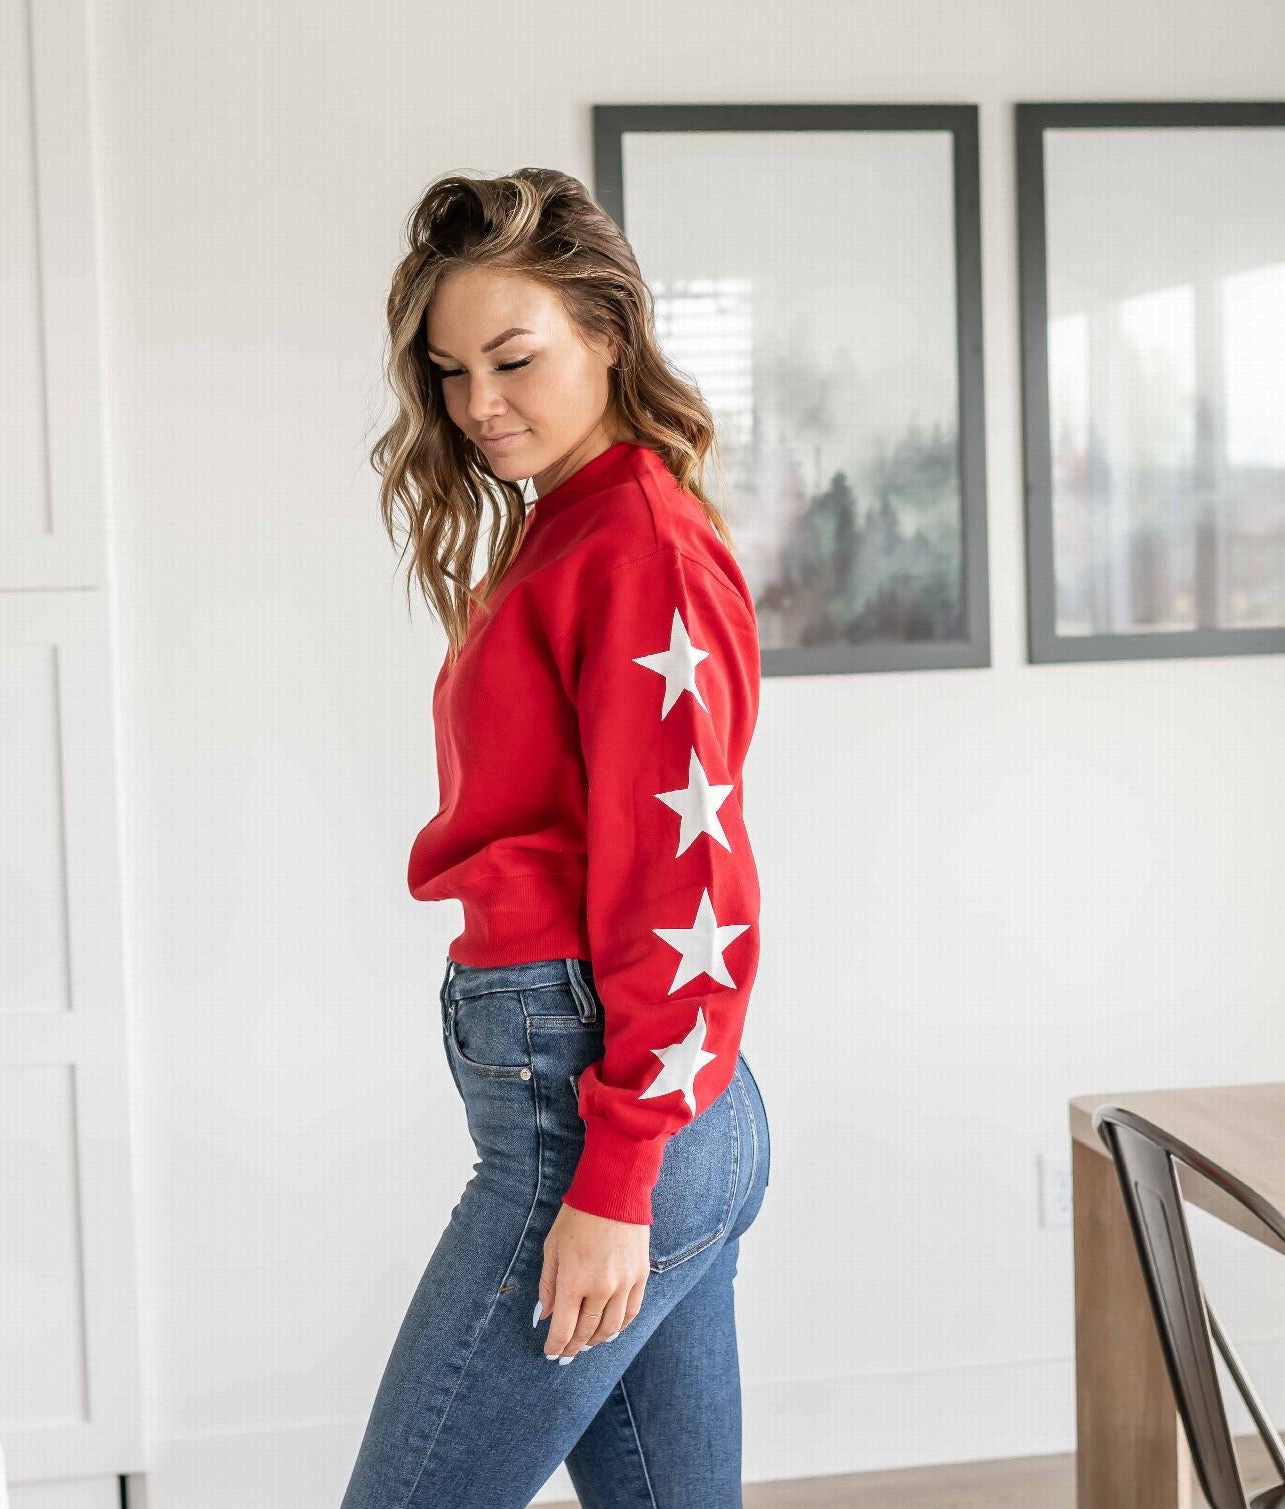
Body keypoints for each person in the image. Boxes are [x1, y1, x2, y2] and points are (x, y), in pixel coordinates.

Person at [343, 168, 773, 1509]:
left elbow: (681, 880)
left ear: (608, 331)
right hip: (628, 1103)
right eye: (453, 370)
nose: (479, 404)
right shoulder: (574, 527)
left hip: (595, 1117)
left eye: (515, 358)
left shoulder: (633, 543)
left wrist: (615, 1177)